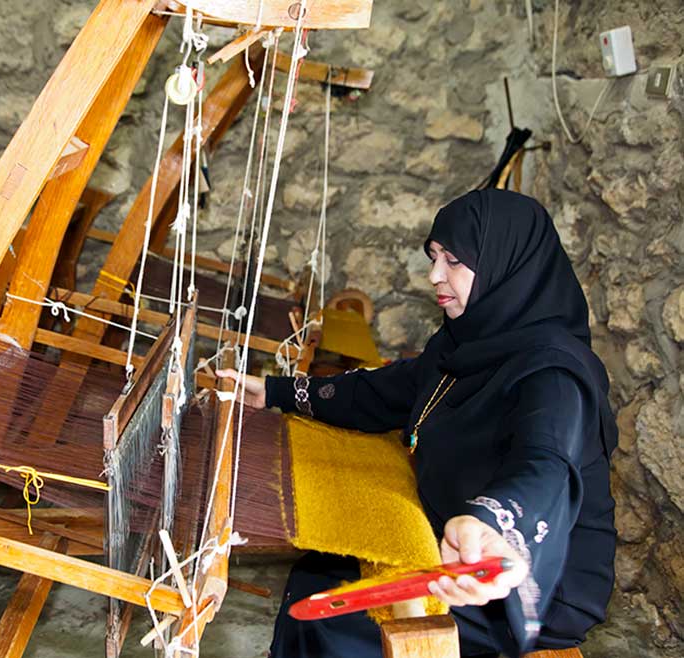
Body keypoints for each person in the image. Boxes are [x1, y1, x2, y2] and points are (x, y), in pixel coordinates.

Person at [219, 189, 617, 658]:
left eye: (453, 261)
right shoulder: (465, 342)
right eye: (434, 258)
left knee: (339, 624)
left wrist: (492, 524)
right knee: (318, 576)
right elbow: (386, 390)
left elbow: (546, 462)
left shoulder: (554, 372)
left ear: (504, 264)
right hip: (451, 532)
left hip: (517, 572)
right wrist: (276, 393)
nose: (435, 276)